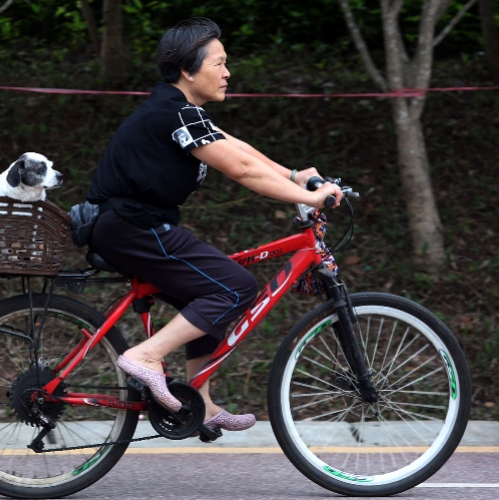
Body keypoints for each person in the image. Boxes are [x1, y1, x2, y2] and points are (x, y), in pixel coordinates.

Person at [86, 18, 342, 431]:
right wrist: (310, 197)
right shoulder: (174, 112)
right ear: (189, 70)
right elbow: (241, 170)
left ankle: (200, 403)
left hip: (135, 226)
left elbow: (238, 149)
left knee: (209, 293)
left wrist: (293, 175)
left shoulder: (180, 111)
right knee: (234, 286)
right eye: (219, 63)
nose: (227, 73)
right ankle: (144, 356)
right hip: (134, 226)